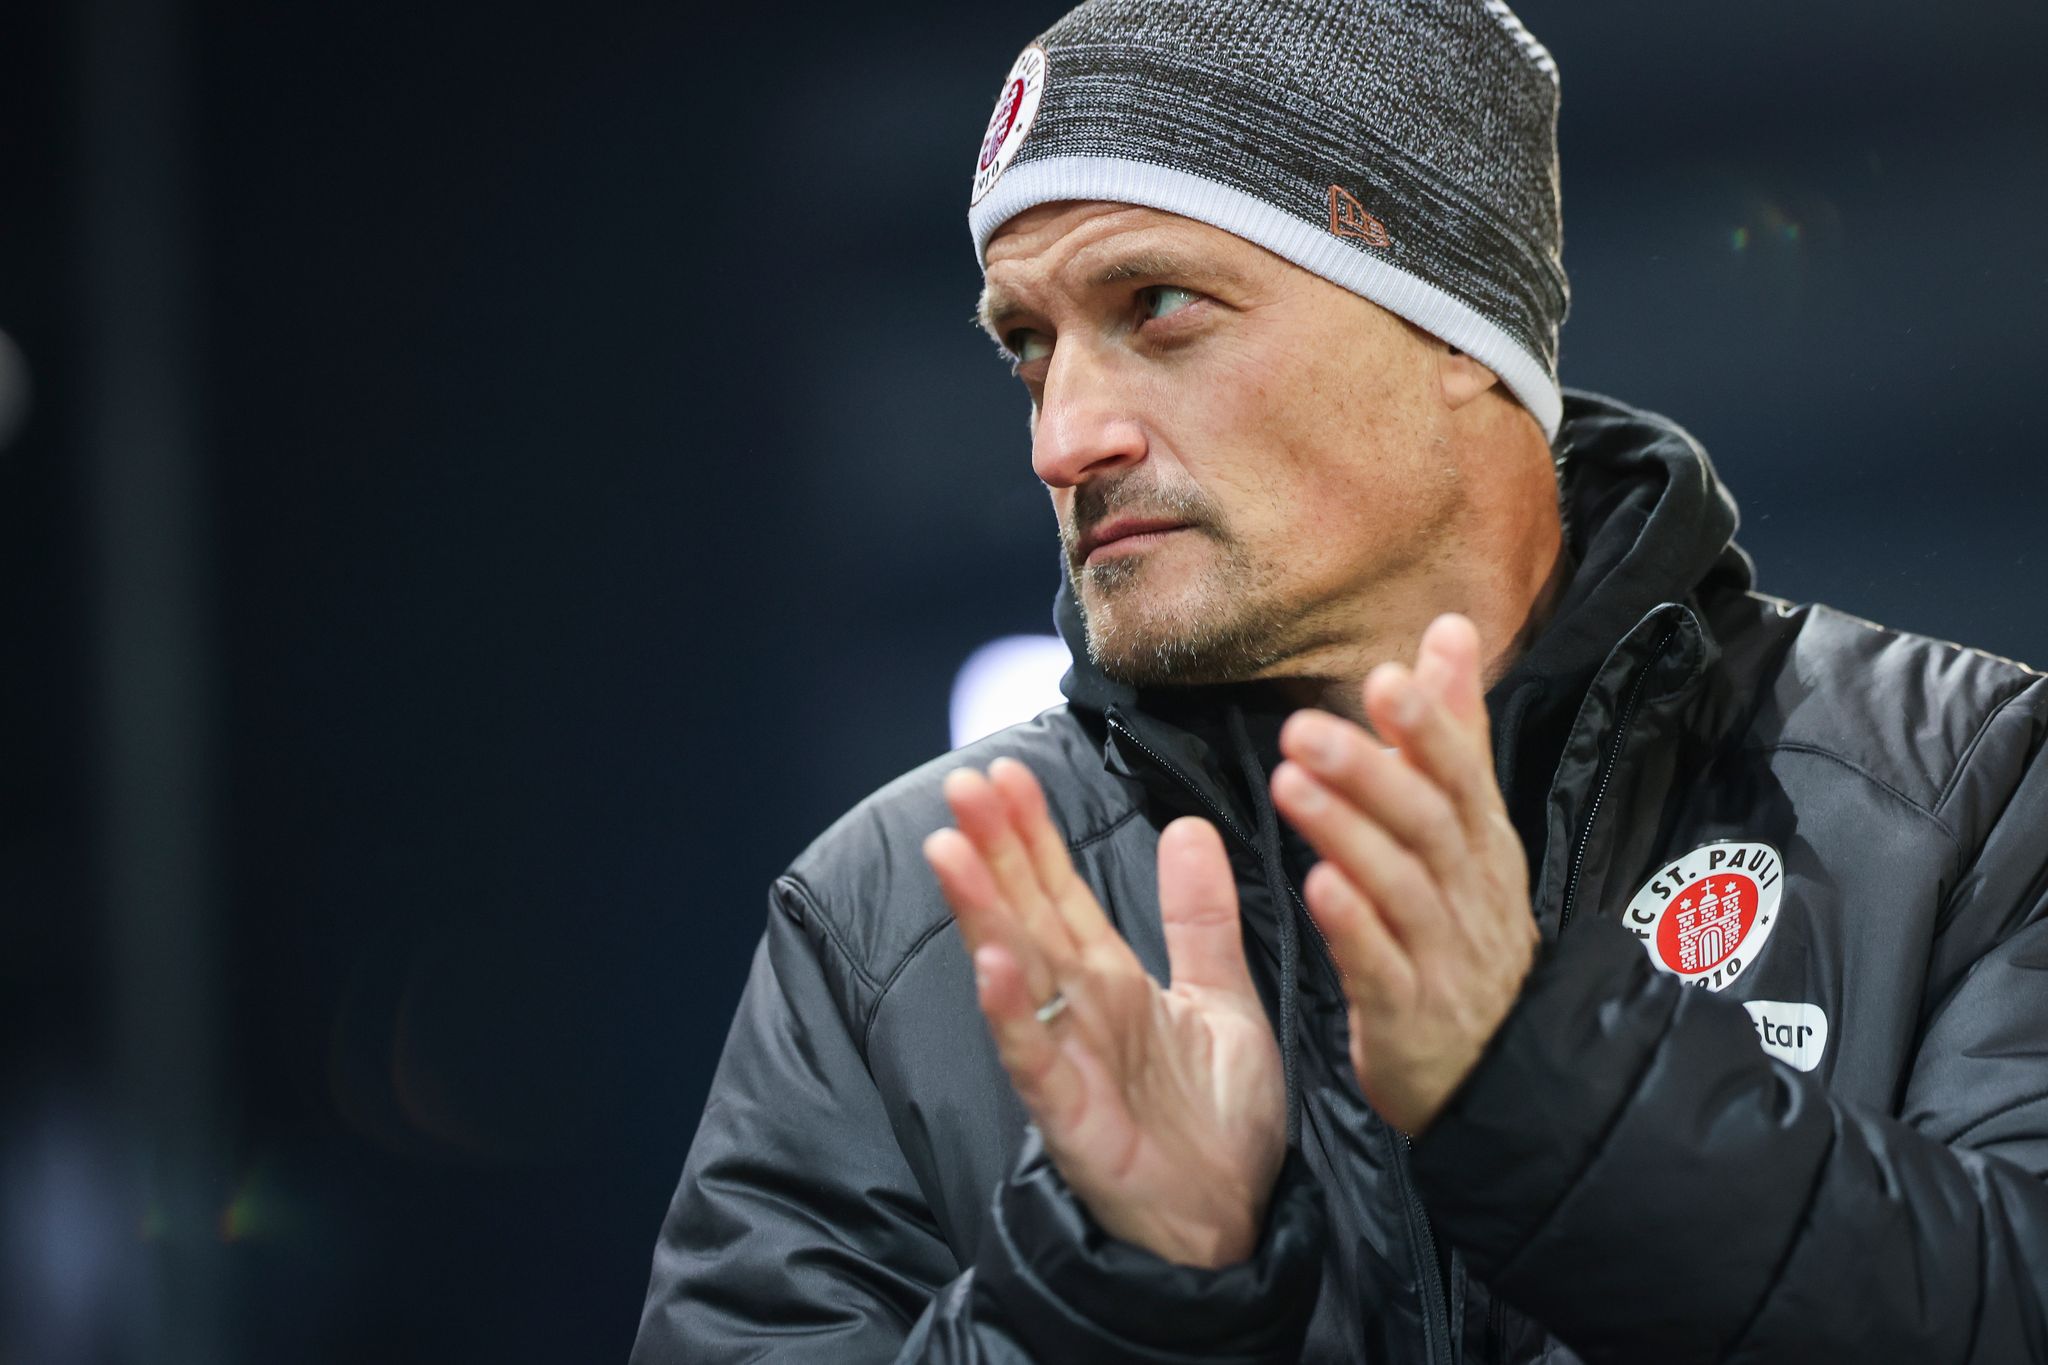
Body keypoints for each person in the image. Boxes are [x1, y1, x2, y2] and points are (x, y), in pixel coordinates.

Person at [631, 1, 2048, 1360]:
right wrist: (1116, 1288)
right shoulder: (894, 924)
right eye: (1029, 347)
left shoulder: (1968, 795)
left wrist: (1556, 1099)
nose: (1063, 438)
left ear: (1453, 321)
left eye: (1158, 305)